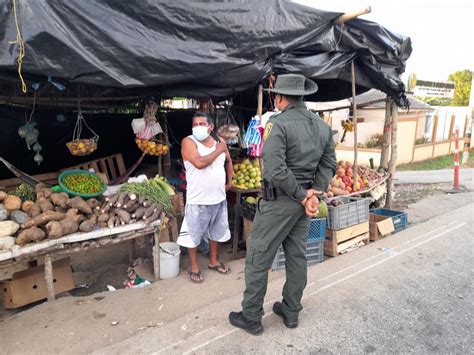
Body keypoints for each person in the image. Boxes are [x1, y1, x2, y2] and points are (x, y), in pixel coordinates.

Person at [229, 74, 337, 334]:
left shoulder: (278, 124)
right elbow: (329, 164)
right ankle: (291, 311)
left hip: (280, 202)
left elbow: (275, 169)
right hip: (302, 205)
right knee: (297, 257)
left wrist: (302, 195)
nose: (274, 100)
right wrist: (313, 192)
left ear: (280, 97)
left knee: (258, 256)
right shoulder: (320, 126)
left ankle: (252, 316)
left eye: (275, 96)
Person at [177, 111, 234, 283]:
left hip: (218, 197)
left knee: (215, 231)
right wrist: (219, 150)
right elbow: (200, 163)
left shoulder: (220, 142)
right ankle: (194, 266)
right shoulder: (188, 142)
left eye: (202, 124)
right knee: (193, 233)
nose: (197, 127)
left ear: (211, 127)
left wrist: (230, 180)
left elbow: (228, 160)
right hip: (198, 198)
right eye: (195, 124)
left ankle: (213, 261)